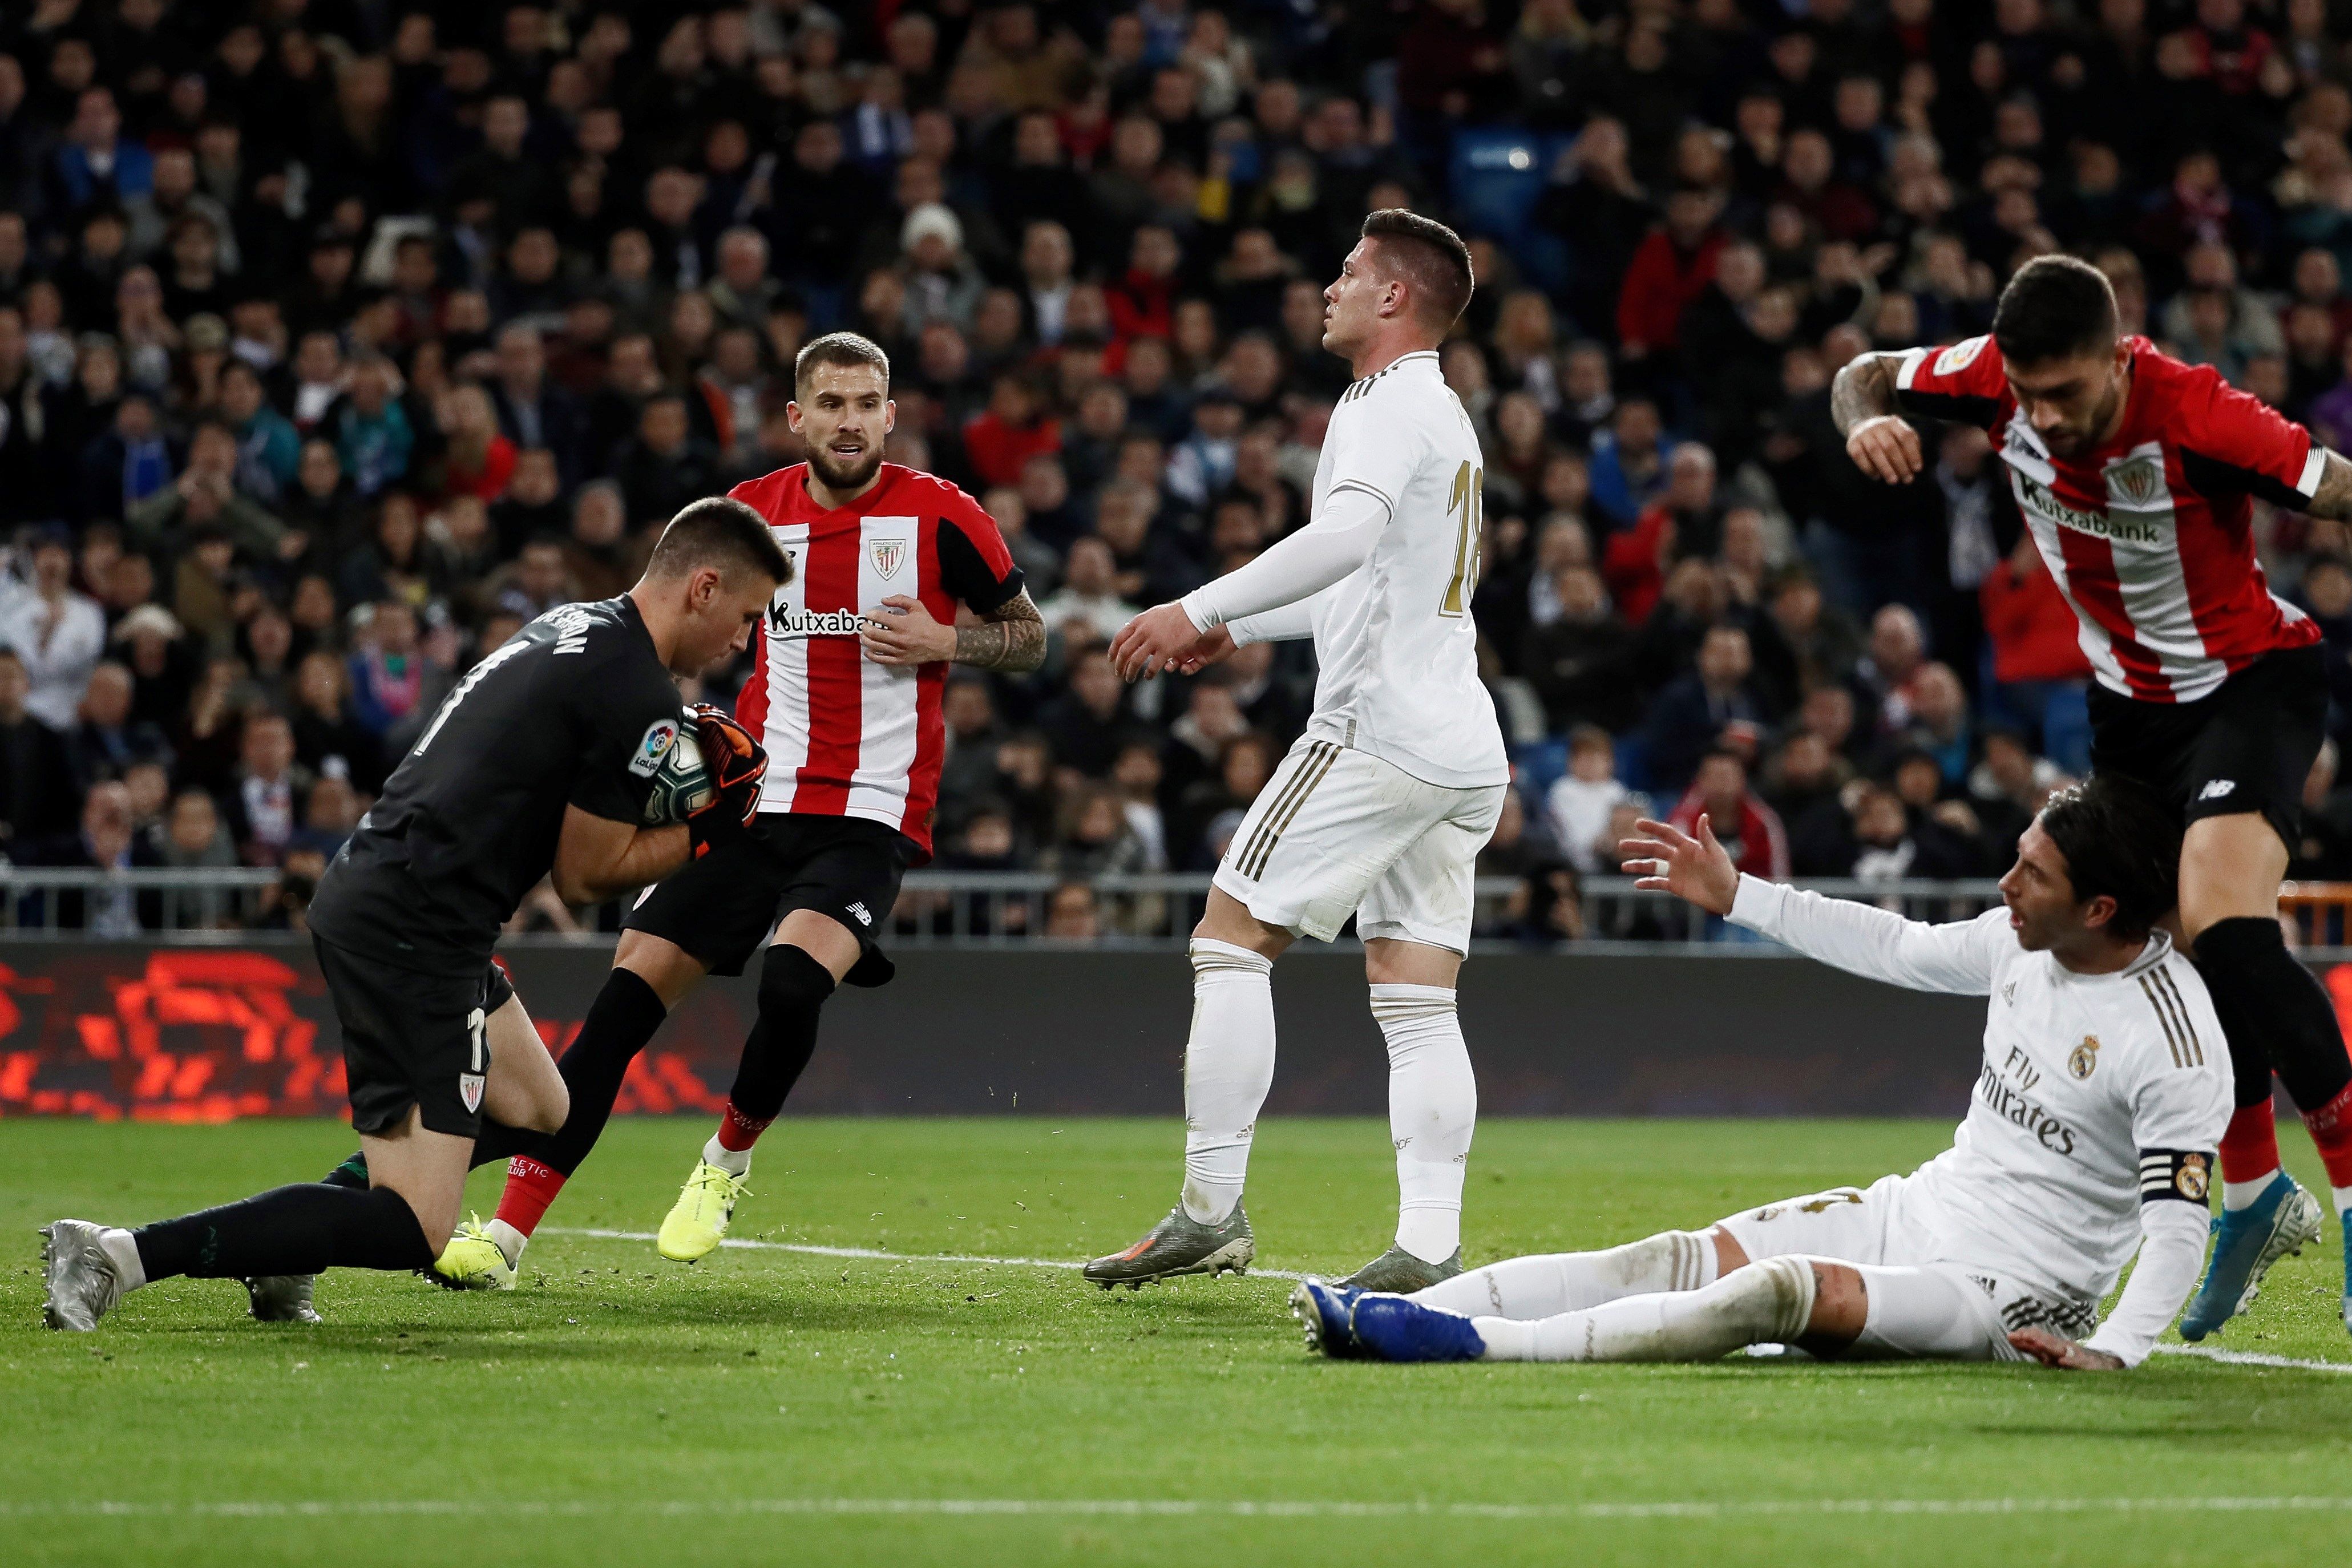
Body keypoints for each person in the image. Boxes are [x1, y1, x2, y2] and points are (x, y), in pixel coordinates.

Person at [1832, 252, 2352, 1340]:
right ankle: (2252, 1195)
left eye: (2066, 393)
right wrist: (1864, 420)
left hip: (2250, 686)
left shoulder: (2200, 416)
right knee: (2169, 949)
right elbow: (1864, 372)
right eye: (2029, 396)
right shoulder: (1988, 376)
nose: (2045, 417)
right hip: (2129, 709)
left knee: (2226, 925)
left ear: (2117, 358)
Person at [38, 499, 790, 1331]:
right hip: (416, 926)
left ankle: (284, 1251)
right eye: (746, 615)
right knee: (417, 1227)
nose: (744, 640)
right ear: (703, 588)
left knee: (542, 1108)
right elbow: (585, 877)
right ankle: (117, 1255)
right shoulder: (634, 691)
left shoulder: (577, 625)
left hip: (405, 896)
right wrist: (709, 832)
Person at [435, 332, 1044, 1288]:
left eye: (867, 403)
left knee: (793, 984)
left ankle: (725, 1162)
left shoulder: (943, 515)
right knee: (619, 1013)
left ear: (892, 414)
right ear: (797, 417)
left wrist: (949, 640)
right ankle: (504, 1240)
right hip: (748, 802)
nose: (850, 421)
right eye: (831, 404)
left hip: (870, 812)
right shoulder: (749, 516)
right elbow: (667, 624)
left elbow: (1031, 637)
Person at [1295, 777, 2230, 1372]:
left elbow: (2180, 1223)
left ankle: (1473, 1343)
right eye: (2017, 860)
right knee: (1672, 1258)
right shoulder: (2018, 942)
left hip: (2007, 1290)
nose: (2006, 886)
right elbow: (1897, 945)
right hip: (1918, 1209)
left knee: (1776, 1290)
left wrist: (2116, 1349)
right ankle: (1377, 1312)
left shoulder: (2173, 1041)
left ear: (2100, 908)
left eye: (2033, 875)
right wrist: (1740, 895)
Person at [1086, 211, 1508, 1294]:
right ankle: (1429, 1245)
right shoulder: (1443, 412)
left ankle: (1208, 1211)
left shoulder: (1383, 404)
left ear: (1394, 298)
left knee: (1231, 940)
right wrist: (1242, 627)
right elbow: (1376, 577)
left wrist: (1197, 605)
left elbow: (1345, 540)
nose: (1331, 287)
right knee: (1416, 998)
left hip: (1376, 732)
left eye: (1351, 272)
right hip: (1459, 745)